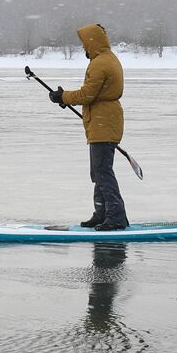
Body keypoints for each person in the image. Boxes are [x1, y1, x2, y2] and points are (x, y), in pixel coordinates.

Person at [47, 23, 129, 230]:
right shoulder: (108, 59)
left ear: (92, 43)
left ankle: (116, 218)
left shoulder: (100, 63)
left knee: (103, 172)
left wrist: (63, 96)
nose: (83, 48)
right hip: (103, 122)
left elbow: (87, 95)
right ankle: (101, 214)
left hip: (103, 122)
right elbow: (91, 95)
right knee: (99, 172)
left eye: (84, 44)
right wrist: (66, 98)